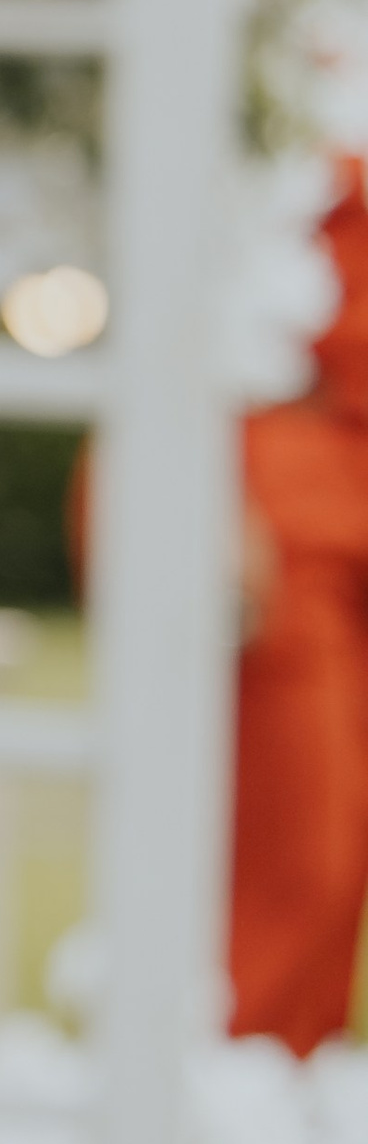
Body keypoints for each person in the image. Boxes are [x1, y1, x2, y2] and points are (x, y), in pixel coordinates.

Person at [231, 157, 368, 1053]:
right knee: (307, 843)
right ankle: (248, 1073)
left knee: (338, 852)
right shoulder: (297, 148)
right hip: (294, 517)